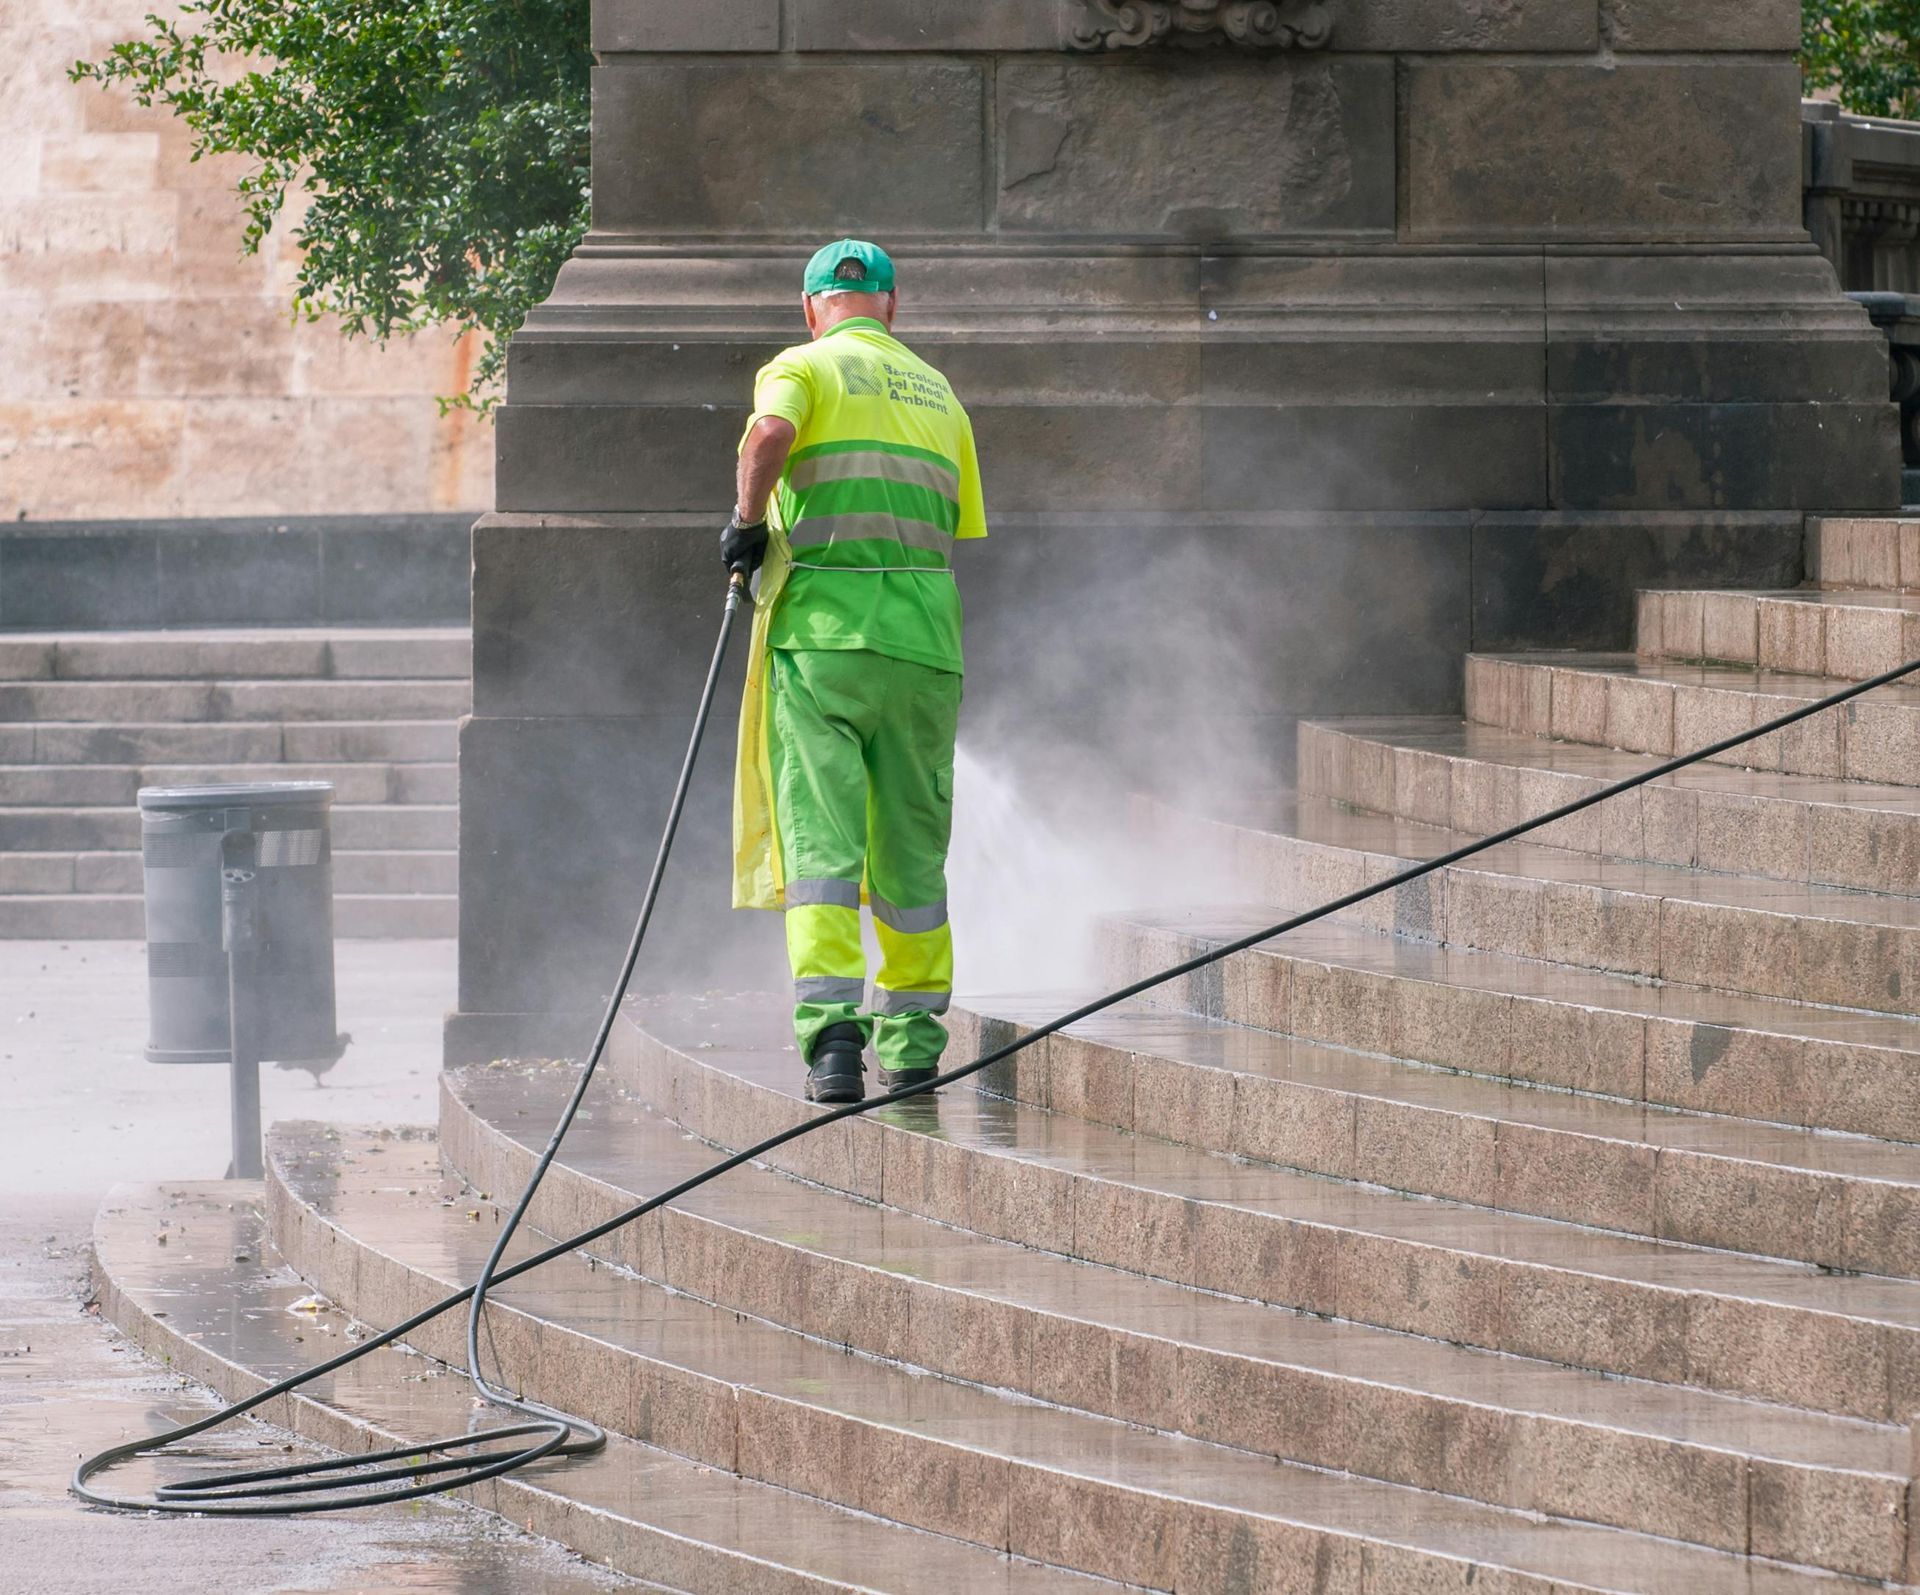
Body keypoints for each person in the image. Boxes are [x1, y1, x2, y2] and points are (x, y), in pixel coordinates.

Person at [724, 239, 988, 1104]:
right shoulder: (940, 395)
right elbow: (954, 527)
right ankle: (914, 1049)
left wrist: (748, 521)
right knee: (914, 853)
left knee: (823, 849)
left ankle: (835, 1045)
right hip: (923, 647)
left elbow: (769, 434)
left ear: (811, 307)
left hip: (825, 641)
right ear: (892, 306)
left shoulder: (801, 368)